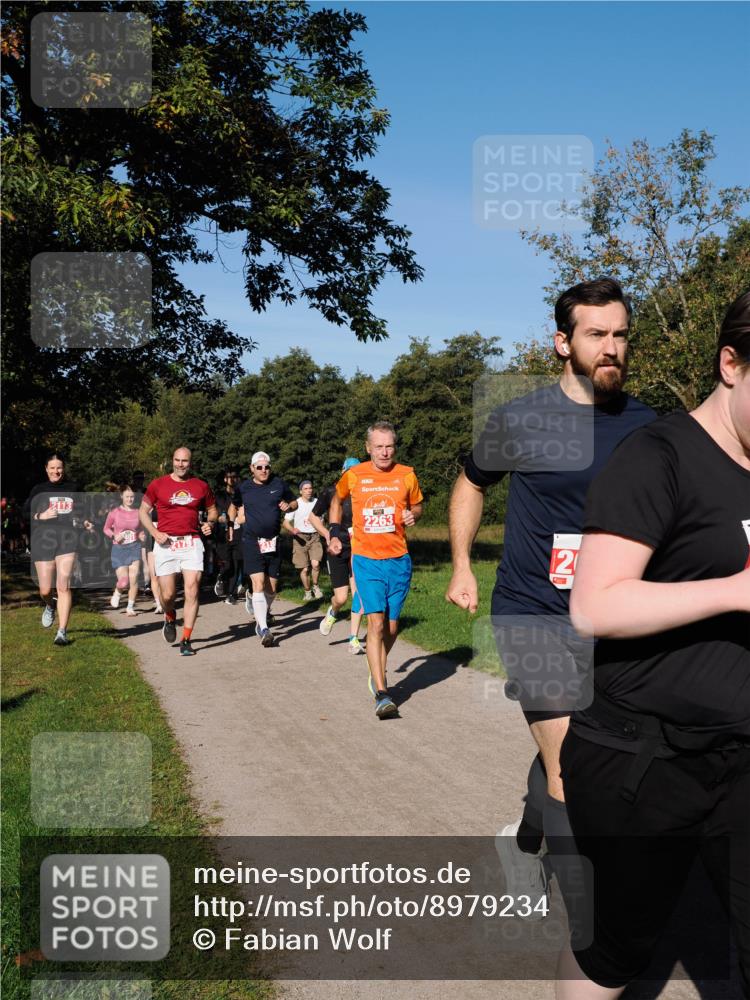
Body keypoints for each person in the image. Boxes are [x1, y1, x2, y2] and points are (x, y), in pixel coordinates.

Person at [554, 291, 750, 998]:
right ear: (731, 364)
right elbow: (594, 606)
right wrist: (734, 591)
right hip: (643, 760)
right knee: (615, 951)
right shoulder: (660, 455)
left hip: (742, 756)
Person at [445, 277, 656, 912]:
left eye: (620, 334)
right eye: (597, 335)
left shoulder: (652, 428)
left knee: (593, 754)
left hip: (613, 618)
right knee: (570, 767)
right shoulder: (521, 418)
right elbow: (471, 483)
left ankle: (526, 838)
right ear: (563, 343)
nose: (612, 347)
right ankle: (592, 923)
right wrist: (460, 564)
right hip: (532, 612)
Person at [329, 422, 423, 718]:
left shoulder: (406, 474)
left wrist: (412, 514)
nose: (384, 452)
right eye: (378, 446)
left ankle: (375, 668)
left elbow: (418, 506)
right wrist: (334, 531)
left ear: (395, 447)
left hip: (399, 560)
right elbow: (336, 500)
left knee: (392, 628)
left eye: (389, 446)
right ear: (368, 448)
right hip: (366, 560)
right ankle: (382, 693)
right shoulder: (354, 475)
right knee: (377, 624)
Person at [139, 447, 217, 656]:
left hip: (191, 542)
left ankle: (186, 640)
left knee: (192, 589)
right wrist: (154, 532)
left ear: (191, 463)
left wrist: (210, 523)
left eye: (185, 461)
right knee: (168, 594)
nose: (181, 464)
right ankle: (170, 614)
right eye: (177, 460)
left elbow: (212, 510)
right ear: (171, 461)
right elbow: (143, 511)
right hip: (166, 544)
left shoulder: (200, 486)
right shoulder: (158, 484)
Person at [22, 453, 94, 646]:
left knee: (64, 586)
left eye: (59, 467)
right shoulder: (38, 490)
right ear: (46, 469)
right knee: (45, 589)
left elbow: (84, 511)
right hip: (43, 541)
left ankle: (62, 632)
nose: (56, 471)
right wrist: (41, 515)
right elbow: (24, 513)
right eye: (52, 468)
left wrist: (86, 521)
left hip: (67, 541)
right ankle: (49, 604)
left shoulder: (74, 488)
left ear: (64, 468)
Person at [228, 452, 296, 647]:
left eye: (266, 467)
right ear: (252, 469)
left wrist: (288, 506)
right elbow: (234, 506)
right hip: (252, 541)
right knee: (258, 582)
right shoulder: (244, 488)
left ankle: (256, 602)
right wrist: (232, 525)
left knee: (272, 588)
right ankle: (263, 627)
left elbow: (294, 502)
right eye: (259, 467)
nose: (264, 470)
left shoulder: (278, 484)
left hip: (273, 542)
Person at [309, 457, 365, 654]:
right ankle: (333, 613)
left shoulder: (364, 493)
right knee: (341, 598)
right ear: (342, 472)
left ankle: (354, 639)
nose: (352, 475)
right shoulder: (331, 492)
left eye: (356, 472)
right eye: (348, 471)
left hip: (359, 548)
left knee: (359, 595)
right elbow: (313, 517)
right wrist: (328, 535)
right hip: (337, 549)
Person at [103, 485, 145, 616]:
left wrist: (141, 535)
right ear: (121, 496)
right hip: (119, 548)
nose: (130, 499)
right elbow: (106, 528)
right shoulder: (114, 512)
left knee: (134, 579)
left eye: (132, 496)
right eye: (127, 496)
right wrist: (114, 535)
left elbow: (141, 529)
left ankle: (130, 607)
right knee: (124, 580)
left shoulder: (138, 512)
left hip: (134, 547)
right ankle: (117, 592)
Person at [283, 479, 324, 600]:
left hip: (315, 536)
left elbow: (322, 519)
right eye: (306, 489)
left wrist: (321, 523)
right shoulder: (296, 504)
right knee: (304, 569)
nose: (309, 490)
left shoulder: (317, 502)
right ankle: (307, 591)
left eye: (310, 488)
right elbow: (285, 523)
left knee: (315, 564)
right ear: (301, 491)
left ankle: (316, 587)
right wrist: (292, 530)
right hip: (299, 538)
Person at [212, 469, 241, 604]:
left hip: (238, 532)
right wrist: (220, 518)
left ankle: (231, 594)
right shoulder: (219, 495)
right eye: (230, 477)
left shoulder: (242, 494)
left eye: (235, 477)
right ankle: (221, 577)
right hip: (222, 534)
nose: (233, 479)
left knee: (236, 563)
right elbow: (217, 512)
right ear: (225, 479)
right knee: (227, 564)